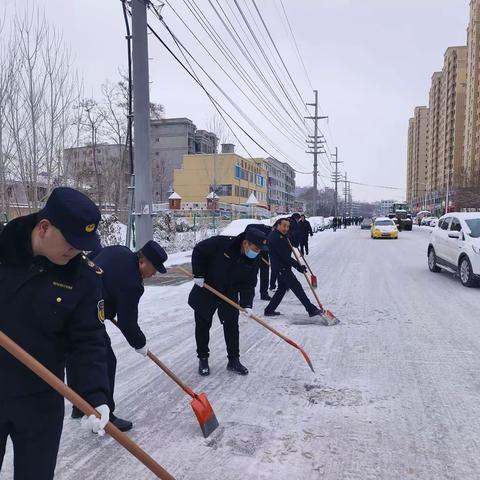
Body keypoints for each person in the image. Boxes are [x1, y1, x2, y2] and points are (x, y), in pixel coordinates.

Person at [0, 187, 111, 480]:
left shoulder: (83, 278)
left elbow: (88, 340)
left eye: (82, 245)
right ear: (44, 227)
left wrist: (95, 395)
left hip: (40, 400)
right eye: (71, 243)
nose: (76, 252)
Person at [70, 240, 168, 432]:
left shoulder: (119, 250)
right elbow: (127, 323)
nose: (154, 274)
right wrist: (140, 343)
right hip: (87, 314)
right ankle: (105, 415)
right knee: (106, 361)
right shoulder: (133, 283)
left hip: (72, 298)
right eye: (154, 269)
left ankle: (78, 405)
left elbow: (91, 259)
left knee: (77, 357)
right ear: (143, 262)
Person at [188, 228, 267, 376]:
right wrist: (198, 274)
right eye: (256, 248)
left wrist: (246, 304)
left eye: (259, 250)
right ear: (245, 243)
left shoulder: (254, 258)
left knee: (231, 324)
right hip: (207, 288)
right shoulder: (221, 244)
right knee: (203, 325)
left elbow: (249, 283)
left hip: (229, 292)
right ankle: (203, 358)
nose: (257, 252)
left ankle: (234, 360)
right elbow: (199, 250)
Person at [264, 218, 323, 318]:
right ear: (278, 225)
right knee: (297, 287)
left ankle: (269, 310)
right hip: (281, 267)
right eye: (284, 226)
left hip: (280, 267)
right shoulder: (276, 238)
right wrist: (298, 266)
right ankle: (311, 309)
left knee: (281, 289)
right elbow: (285, 257)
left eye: (287, 226)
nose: (286, 228)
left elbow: (293, 244)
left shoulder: (281, 235)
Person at [246, 223, 272, 301]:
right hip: (254, 250)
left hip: (263, 251)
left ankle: (264, 294)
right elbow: (248, 231)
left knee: (265, 272)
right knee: (253, 272)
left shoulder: (274, 234)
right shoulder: (262, 230)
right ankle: (248, 295)